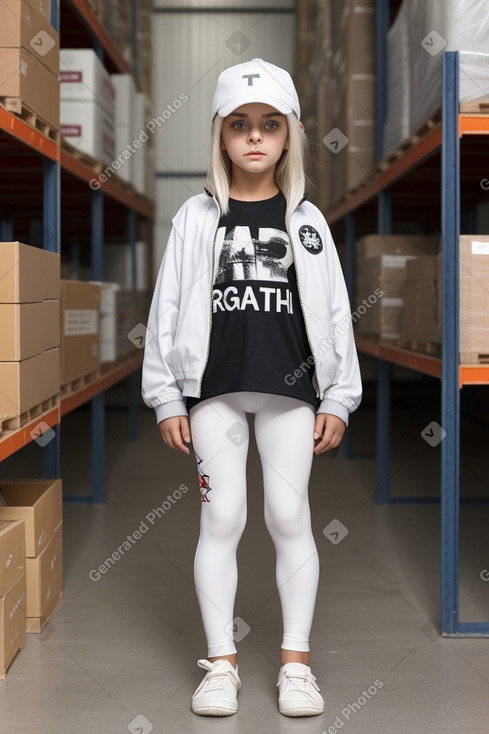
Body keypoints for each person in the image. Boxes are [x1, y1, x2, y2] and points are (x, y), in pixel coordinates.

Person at [142, 58, 362, 718]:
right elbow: (168, 306)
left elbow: (332, 315)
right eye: (240, 125)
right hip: (214, 392)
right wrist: (165, 395)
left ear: (290, 134)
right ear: (221, 135)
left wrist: (338, 397)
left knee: (289, 517)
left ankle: (295, 664)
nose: (255, 138)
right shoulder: (194, 217)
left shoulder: (308, 223)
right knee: (223, 517)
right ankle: (221, 664)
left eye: (269, 125)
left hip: (288, 392)